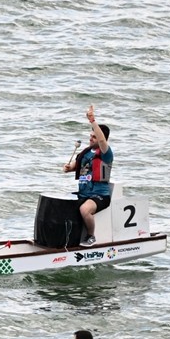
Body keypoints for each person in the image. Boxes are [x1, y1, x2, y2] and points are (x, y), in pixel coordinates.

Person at [63, 104, 115, 246]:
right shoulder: (85, 152)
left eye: (94, 137)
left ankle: (91, 237)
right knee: (62, 205)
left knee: (84, 209)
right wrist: (68, 168)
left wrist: (92, 120)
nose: (91, 139)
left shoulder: (106, 153)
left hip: (100, 195)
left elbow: (103, 141)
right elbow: (75, 165)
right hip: (84, 193)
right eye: (90, 136)